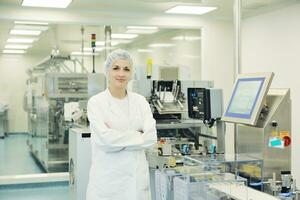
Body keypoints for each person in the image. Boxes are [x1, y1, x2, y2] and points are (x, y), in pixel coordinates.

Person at [86, 49, 157, 200]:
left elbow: (151, 137)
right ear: (107, 71)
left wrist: (117, 138)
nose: (121, 74)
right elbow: (106, 141)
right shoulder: (96, 103)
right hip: (109, 183)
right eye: (116, 68)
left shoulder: (140, 101)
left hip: (136, 181)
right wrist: (138, 135)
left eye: (126, 69)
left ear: (132, 73)